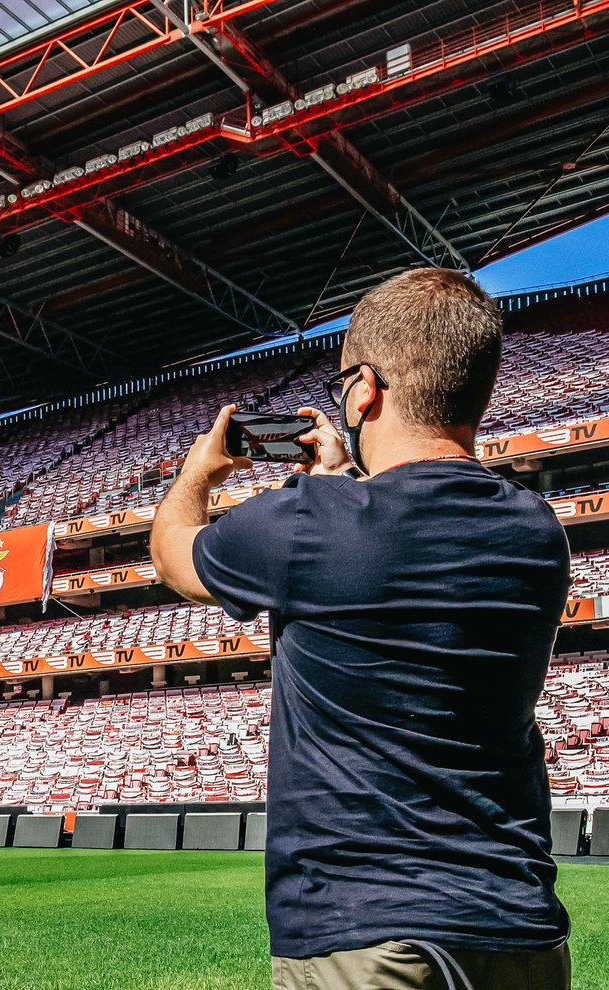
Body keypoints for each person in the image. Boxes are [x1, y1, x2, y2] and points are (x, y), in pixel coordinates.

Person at [150, 268, 572, 990]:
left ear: (364, 389)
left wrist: (198, 472)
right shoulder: (535, 531)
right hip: (519, 929)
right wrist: (342, 483)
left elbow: (175, 555)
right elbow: (397, 552)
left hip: (365, 931)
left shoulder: (306, 525)